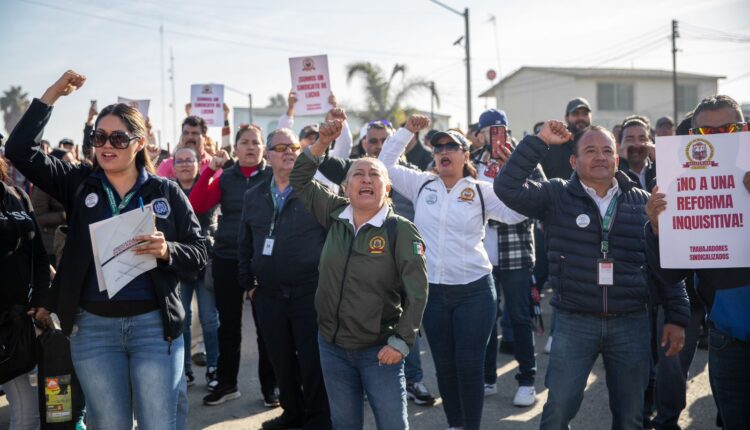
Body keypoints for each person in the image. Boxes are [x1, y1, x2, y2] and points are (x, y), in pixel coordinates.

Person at [5, 70, 207, 429]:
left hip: (153, 328)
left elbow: (199, 251)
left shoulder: (166, 192)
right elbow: (19, 150)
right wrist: (52, 95)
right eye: (100, 137)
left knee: (158, 423)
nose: (107, 145)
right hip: (93, 329)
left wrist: (167, 250)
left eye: (118, 137)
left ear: (140, 142)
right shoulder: (79, 184)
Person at [494, 121, 689, 430]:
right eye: (590, 150)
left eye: (607, 150)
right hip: (574, 322)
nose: (600, 157)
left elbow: (667, 261)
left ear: (617, 158)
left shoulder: (643, 201)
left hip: (631, 322)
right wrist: (540, 141)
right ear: (574, 161)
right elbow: (507, 187)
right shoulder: (555, 195)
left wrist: (677, 318)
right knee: (558, 410)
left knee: (630, 416)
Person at [380, 115, 527, 430]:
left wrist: (513, 169)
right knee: (445, 367)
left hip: (474, 291)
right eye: (438, 147)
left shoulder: (481, 190)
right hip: (431, 293)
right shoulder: (421, 183)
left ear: (465, 154)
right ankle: (455, 424)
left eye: (451, 146)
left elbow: (517, 212)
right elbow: (385, 165)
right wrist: (406, 130)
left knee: (469, 366)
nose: (443, 150)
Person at [290, 119, 428, 430]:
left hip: (380, 352)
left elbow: (418, 293)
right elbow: (299, 177)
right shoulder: (334, 212)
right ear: (345, 187)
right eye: (358, 174)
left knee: (393, 425)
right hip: (332, 347)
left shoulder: (401, 231)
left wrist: (401, 343)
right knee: (344, 424)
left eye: (374, 174)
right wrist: (321, 143)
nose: (366, 180)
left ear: (387, 187)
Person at [645, 94, 750, 429]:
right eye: (707, 131)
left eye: (729, 129)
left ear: (744, 129)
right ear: (693, 138)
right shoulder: (681, 189)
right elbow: (673, 274)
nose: (718, 139)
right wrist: (659, 230)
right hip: (728, 339)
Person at [238, 128, 331, 429]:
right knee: (281, 359)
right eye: (279, 147)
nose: (288, 151)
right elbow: (245, 243)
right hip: (268, 295)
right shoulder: (254, 195)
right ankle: (292, 413)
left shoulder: (315, 191)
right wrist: (250, 285)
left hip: (309, 293)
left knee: (312, 360)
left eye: (292, 146)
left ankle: (318, 420)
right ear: (268, 155)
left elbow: (334, 239)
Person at [190, 125, 278, 407]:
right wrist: (209, 171)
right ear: (236, 148)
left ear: (263, 148)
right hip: (228, 257)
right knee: (228, 326)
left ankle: (271, 388)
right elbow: (197, 203)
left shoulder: (273, 176)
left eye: (256, 142)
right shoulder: (226, 177)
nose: (251, 147)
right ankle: (228, 384)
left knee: (267, 327)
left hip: (264, 260)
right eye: (245, 142)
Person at [472, 108, 543, 406]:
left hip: (517, 250)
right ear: (480, 134)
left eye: (500, 129)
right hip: (483, 253)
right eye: (489, 130)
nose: (494, 135)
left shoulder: (522, 159)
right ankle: (488, 378)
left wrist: (513, 169)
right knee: (487, 319)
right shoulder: (472, 162)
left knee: (520, 316)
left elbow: (541, 196)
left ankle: (527, 380)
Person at [0, 153, 49, 430]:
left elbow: (40, 255)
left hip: (17, 326)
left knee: (28, 414)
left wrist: (41, 299)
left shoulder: (17, 195)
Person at [171, 146, 219, 389]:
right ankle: (185, 371)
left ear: (199, 163)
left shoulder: (207, 184)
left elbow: (202, 212)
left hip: (206, 261)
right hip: (180, 263)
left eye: (190, 160)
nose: (185, 165)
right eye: (179, 161)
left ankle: (214, 368)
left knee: (210, 318)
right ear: (173, 165)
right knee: (184, 319)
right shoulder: (167, 189)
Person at [31, 147, 75, 266]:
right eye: (68, 161)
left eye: (73, 160)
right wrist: (62, 215)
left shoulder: (74, 184)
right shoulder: (43, 186)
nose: (73, 164)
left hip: (70, 246)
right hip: (51, 249)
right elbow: (37, 218)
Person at [540, 97, 592, 180]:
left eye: (585, 114)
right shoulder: (551, 148)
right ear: (566, 117)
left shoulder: (597, 146)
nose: (581, 118)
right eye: (576, 114)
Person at [618, 115, 656, 190]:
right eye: (629, 139)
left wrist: (659, 164)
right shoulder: (611, 174)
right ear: (620, 145)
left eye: (642, 139)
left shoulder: (659, 168)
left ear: (650, 143)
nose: (636, 144)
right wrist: (622, 164)